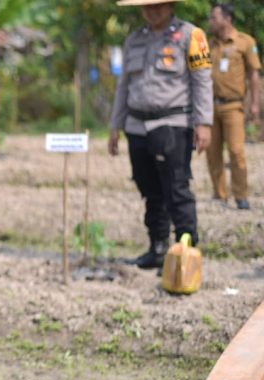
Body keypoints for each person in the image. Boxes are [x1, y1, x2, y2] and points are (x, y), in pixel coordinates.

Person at [108, 0, 213, 269]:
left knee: (176, 188)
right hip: (136, 126)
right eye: (146, 7)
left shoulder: (191, 35)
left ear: (171, 5)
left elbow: (202, 81)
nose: (152, 11)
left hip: (173, 123)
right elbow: (124, 86)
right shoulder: (134, 39)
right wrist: (115, 126)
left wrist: (204, 122)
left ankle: (185, 252)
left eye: (158, 6)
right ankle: (157, 247)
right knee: (150, 190)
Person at [207, 3, 261, 210]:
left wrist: (255, 103)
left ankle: (241, 195)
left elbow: (253, 75)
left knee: (237, 152)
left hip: (233, 106)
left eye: (214, 17)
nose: (211, 21)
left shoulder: (245, 42)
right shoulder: (209, 44)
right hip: (210, 106)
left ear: (227, 19)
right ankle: (220, 194)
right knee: (213, 153)